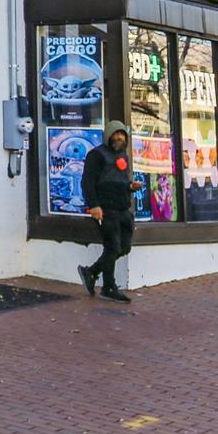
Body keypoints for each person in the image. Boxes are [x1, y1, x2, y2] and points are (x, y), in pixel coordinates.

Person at [79, 120, 140, 303]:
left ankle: (91, 272)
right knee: (113, 247)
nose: (119, 138)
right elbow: (87, 182)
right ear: (108, 136)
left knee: (124, 247)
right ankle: (108, 287)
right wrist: (94, 205)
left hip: (122, 208)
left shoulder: (123, 156)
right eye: (116, 134)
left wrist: (130, 186)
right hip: (106, 209)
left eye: (122, 135)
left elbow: (118, 180)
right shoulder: (96, 155)